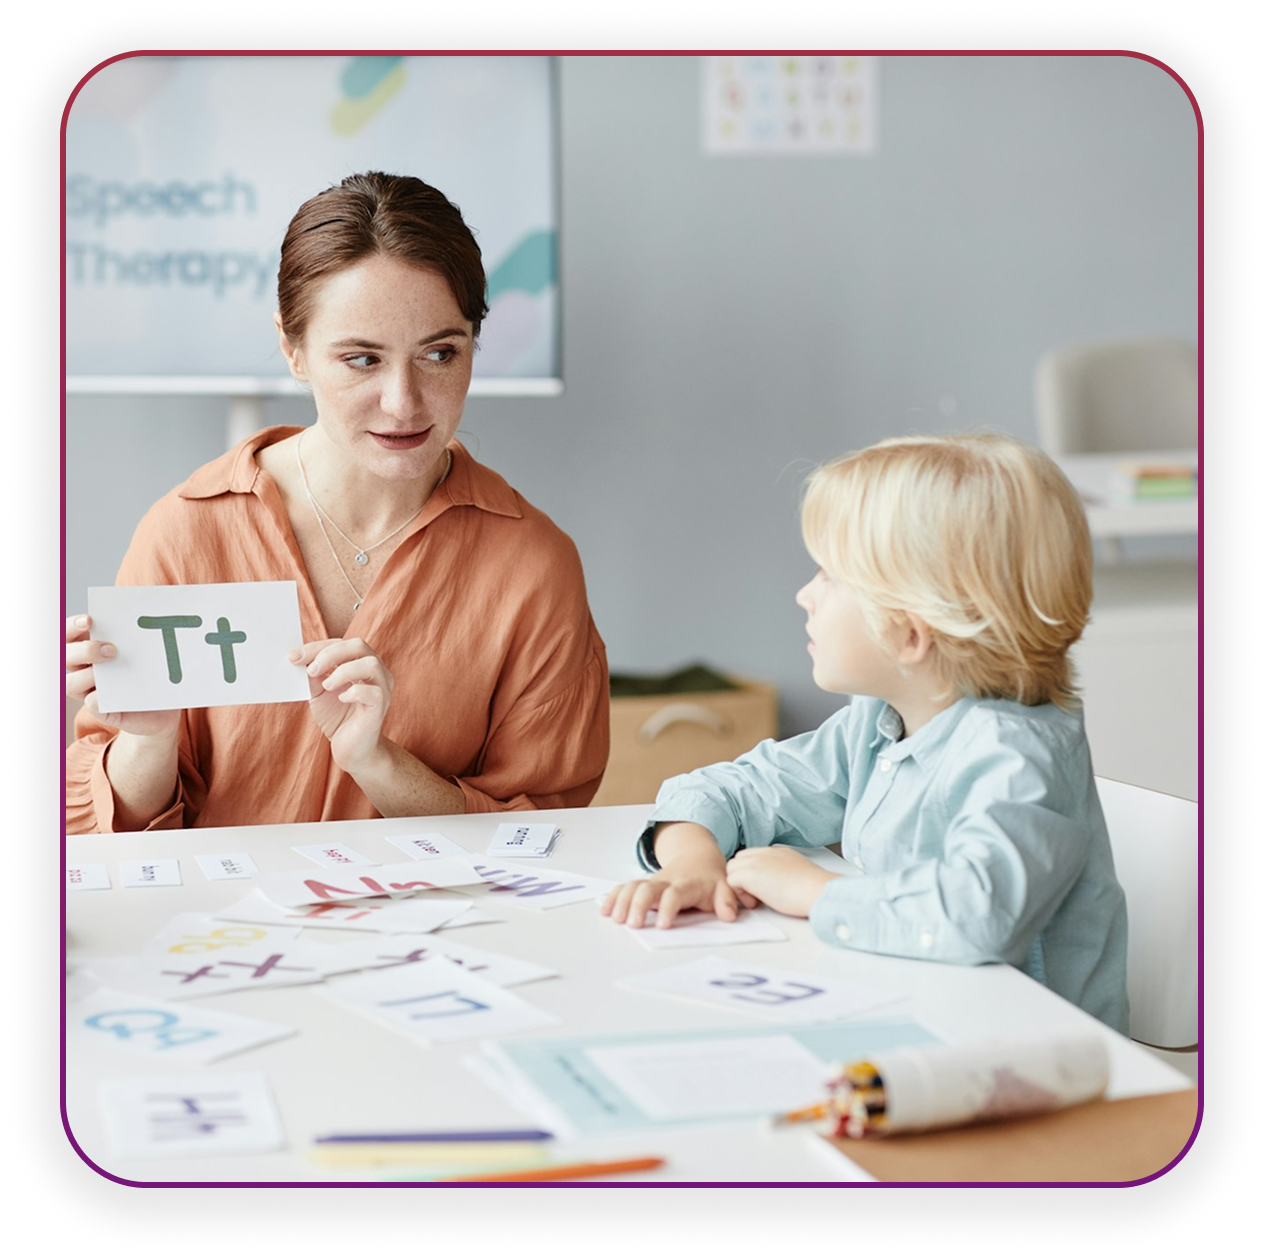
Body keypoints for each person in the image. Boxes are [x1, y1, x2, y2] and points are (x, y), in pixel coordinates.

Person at [66, 171, 609, 832]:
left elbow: (543, 831)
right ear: (293, 350)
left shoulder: (534, 565)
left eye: (440, 353)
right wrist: (148, 740)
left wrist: (378, 763)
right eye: (361, 359)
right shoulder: (187, 532)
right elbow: (111, 838)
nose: (404, 403)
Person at [601, 432, 1129, 1032]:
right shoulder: (880, 721)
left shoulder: (1016, 756)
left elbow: (976, 916)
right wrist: (691, 864)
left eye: (829, 575)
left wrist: (816, 893)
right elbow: (735, 789)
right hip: (915, 1012)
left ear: (910, 634)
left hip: (1030, 1054)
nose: (805, 594)